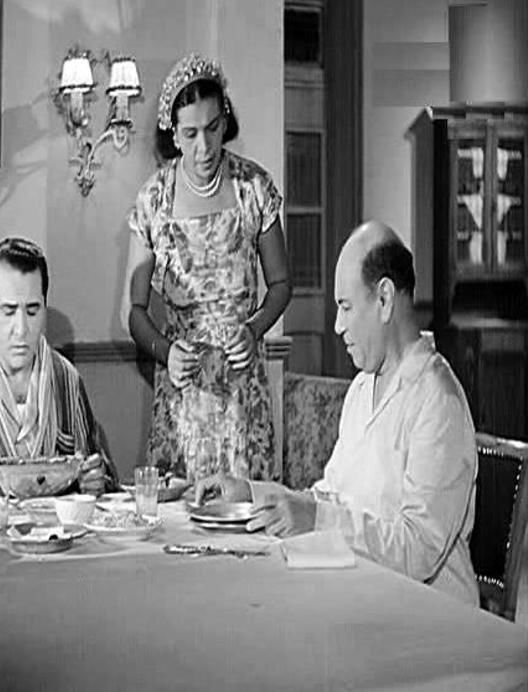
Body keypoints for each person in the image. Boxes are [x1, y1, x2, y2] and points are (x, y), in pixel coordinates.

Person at [196, 221, 479, 606]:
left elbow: (419, 551)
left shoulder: (437, 400)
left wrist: (316, 518)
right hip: (364, 596)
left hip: (429, 614)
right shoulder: (363, 388)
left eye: (345, 307)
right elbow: (330, 498)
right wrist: (251, 494)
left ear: (384, 300)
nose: (337, 325)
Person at [122, 53, 291, 482]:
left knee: (247, 514)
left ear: (225, 121)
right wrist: (165, 351)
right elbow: (135, 312)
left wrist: (253, 329)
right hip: (182, 396)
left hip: (242, 394)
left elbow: (281, 284)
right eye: (191, 133)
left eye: (213, 128)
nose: (204, 146)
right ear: (173, 133)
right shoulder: (154, 200)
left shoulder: (254, 188)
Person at [0, 237, 119, 501]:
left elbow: (101, 478)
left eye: (32, 311)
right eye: (9, 310)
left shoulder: (66, 379)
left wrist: (95, 482)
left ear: (45, 307)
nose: (21, 329)